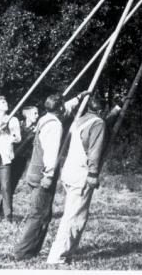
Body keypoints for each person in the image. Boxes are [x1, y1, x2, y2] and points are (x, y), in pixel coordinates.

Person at [14, 90, 90, 261]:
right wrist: (48, 175)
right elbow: (51, 152)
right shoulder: (54, 125)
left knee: (41, 213)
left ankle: (30, 250)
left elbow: (66, 108)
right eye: (62, 107)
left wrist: (79, 97)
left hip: (33, 172)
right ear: (60, 108)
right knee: (39, 214)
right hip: (43, 175)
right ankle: (24, 252)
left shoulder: (45, 118)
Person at [46, 95, 107, 265]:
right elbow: (94, 151)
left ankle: (60, 252)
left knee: (70, 213)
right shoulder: (97, 124)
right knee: (75, 217)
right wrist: (93, 174)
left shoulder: (79, 120)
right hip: (82, 174)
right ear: (101, 110)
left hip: (69, 172)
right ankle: (59, 256)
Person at [0, 104, 39, 221]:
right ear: (27, 114)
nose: (37, 116)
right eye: (35, 113)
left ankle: (2, 214)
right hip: (6, 158)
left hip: (20, 161)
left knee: (9, 187)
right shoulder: (16, 124)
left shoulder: (36, 130)